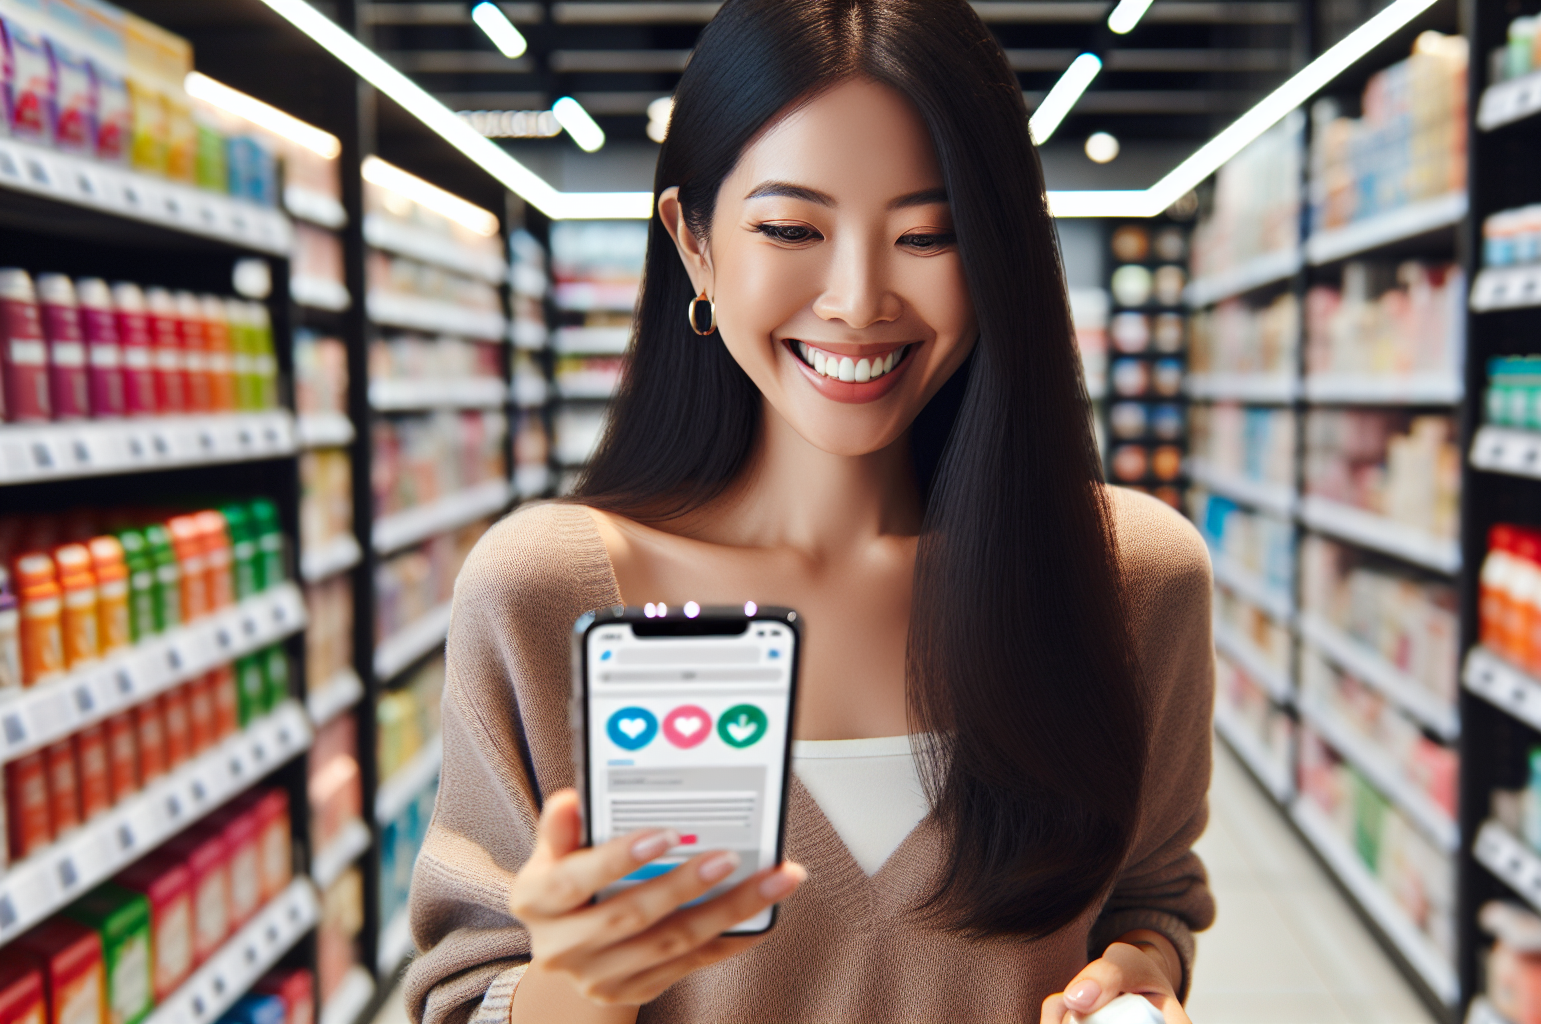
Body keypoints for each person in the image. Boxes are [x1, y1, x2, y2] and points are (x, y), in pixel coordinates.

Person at [404, 1, 1216, 1021]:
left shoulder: (1133, 576)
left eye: (931, 234)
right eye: (791, 227)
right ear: (693, 242)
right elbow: (464, 992)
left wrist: (1142, 969)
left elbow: (1149, 897)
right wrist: (573, 987)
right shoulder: (543, 593)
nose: (857, 298)